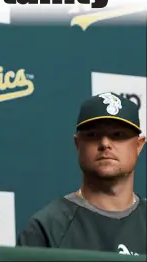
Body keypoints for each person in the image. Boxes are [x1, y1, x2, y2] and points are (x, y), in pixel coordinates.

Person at [16, 92, 146, 256]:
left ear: (139, 145)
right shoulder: (48, 227)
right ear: (78, 144)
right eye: (93, 135)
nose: (105, 143)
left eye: (118, 135)